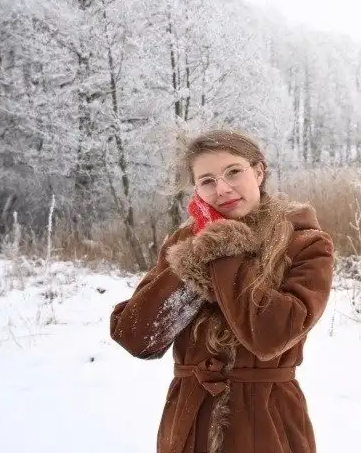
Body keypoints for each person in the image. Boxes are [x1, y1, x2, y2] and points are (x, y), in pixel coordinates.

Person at [109, 128, 335, 453]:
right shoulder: (183, 243)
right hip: (188, 425)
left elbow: (270, 335)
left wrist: (223, 249)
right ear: (196, 189)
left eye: (233, 172)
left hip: (267, 423)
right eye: (207, 181)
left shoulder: (305, 243)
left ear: (258, 172)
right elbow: (137, 337)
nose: (223, 189)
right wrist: (192, 259)